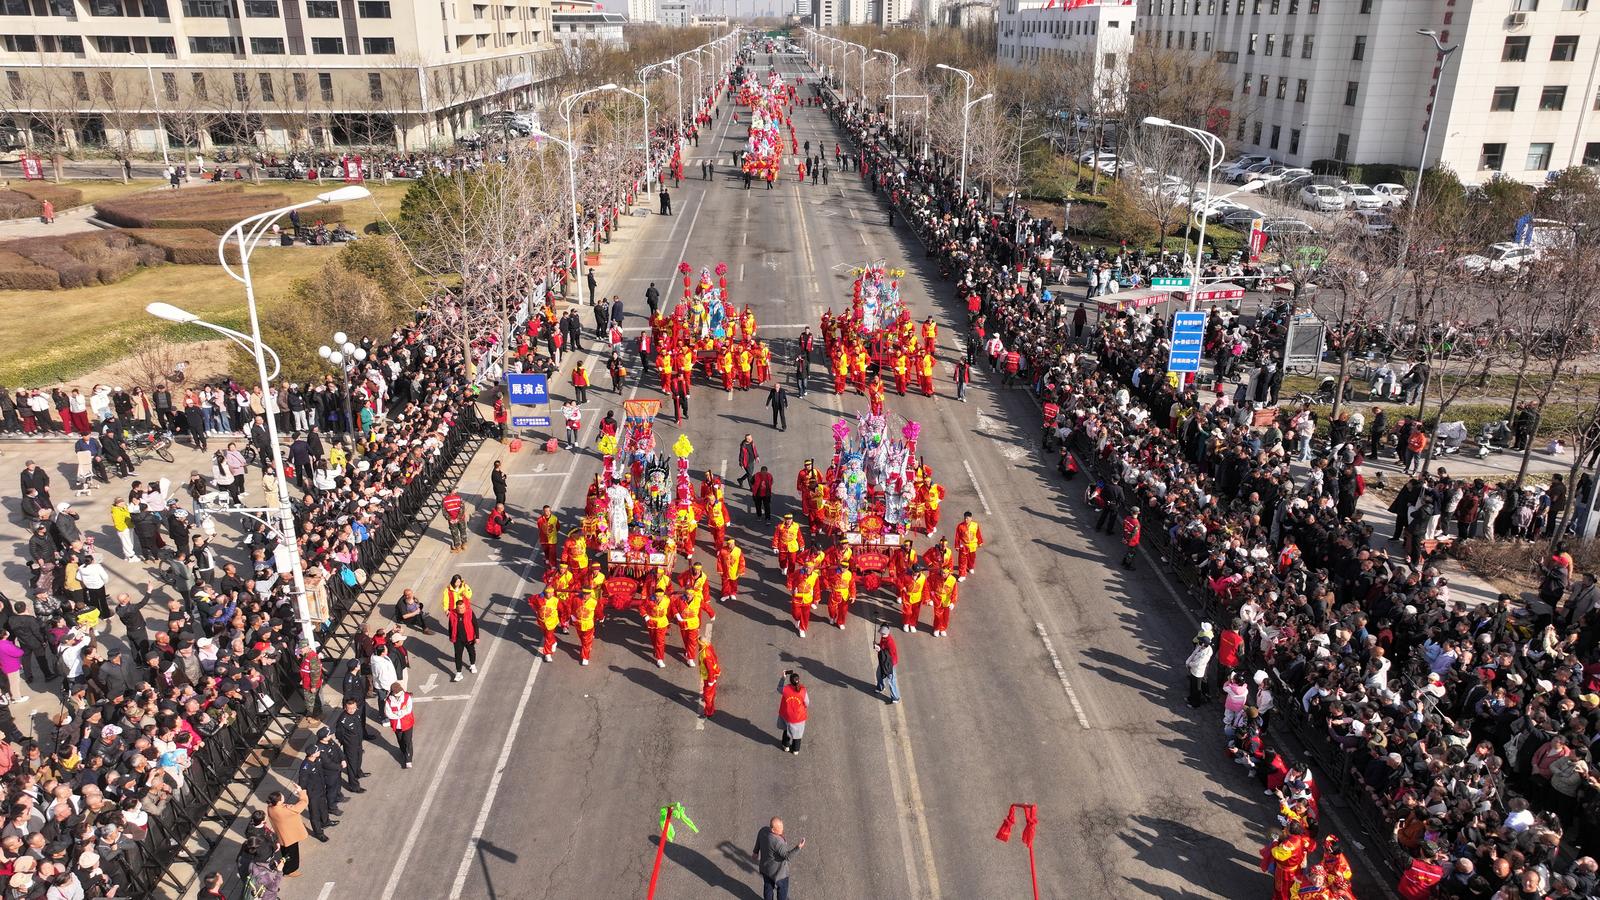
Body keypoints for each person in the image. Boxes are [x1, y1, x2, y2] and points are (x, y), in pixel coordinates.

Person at [752, 817, 805, 900]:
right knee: (782, 890)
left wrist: (755, 852)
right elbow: (787, 856)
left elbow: (758, 841)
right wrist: (798, 847)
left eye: (782, 827)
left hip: (766, 869)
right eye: (780, 829)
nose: (782, 830)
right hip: (779, 873)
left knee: (768, 888)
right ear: (773, 830)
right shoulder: (778, 841)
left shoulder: (763, 830)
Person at [265, 791, 311, 875]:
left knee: (285, 851)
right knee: (292, 854)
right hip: (290, 835)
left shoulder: (270, 807)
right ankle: (290, 870)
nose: (283, 796)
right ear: (279, 801)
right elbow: (302, 803)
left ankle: (287, 866)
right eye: (281, 796)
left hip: (282, 835)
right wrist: (301, 792)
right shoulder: (284, 810)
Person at [443, 574, 478, 681]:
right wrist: (446, 609)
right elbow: (450, 625)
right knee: (458, 655)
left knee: (471, 651)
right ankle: (458, 672)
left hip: (469, 637)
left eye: (459, 581)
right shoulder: (448, 590)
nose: (458, 583)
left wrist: (477, 636)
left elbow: (469, 595)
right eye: (456, 581)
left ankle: (472, 664)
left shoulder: (469, 612)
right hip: (457, 638)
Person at [334, 697, 368, 794]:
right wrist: (346, 743)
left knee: (359, 759)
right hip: (350, 745)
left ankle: (359, 773)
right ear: (345, 708)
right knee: (351, 765)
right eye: (350, 708)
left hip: (358, 742)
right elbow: (339, 734)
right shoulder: (342, 720)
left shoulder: (356, 713)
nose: (352, 710)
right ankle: (354, 786)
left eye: (354, 708)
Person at [385, 681, 415, 768]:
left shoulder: (406, 697)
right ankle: (403, 752)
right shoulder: (388, 701)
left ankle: (408, 760)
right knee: (400, 740)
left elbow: (408, 709)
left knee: (407, 741)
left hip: (407, 723)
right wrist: (398, 716)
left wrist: (399, 713)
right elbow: (388, 713)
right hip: (396, 725)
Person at [777, 670, 809, 753]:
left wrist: (783, 678)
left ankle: (786, 746)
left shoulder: (785, 689)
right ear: (799, 680)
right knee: (798, 734)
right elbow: (807, 703)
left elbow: (778, 688)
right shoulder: (803, 690)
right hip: (799, 717)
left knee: (787, 730)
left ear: (790, 681)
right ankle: (795, 750)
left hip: (787, 716)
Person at [1185, 624, 1214, 707]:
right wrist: (1188, 662)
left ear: (1204, 644)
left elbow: (1199, 663)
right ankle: (1190, 698)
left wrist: (1190, 664)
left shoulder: (1206, 653)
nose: (1199, 642)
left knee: (1197, 689)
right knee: (1192, 686)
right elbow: (1194, 653)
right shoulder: (1201, 647)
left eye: (1201, 642)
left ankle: (1195, 703)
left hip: (1198, 672)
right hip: (1193, 670)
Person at [874, 626, 900, 703]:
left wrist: (880, 649)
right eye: (881, 633)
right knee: (879, 674)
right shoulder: (884, 638)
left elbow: (890, 655)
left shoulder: (890, 642)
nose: (881, 635)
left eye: (883, 633)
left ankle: (895, 697)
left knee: (891, 680)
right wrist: (878, 645)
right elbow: (883, 646)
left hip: (889, 663)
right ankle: (880, 687)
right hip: (884, 661)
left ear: (887, 633)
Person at [698, 640, 721, 719]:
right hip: (709, 676)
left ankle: (709, 712)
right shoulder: (708, 647)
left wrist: (711, 680)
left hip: (709, 677)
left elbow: (710, 669)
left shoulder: (706, 655)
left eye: (699, 643)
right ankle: (711, 701)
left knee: (708, 696)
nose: (698, 644)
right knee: (709, 691)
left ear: (702, 644)